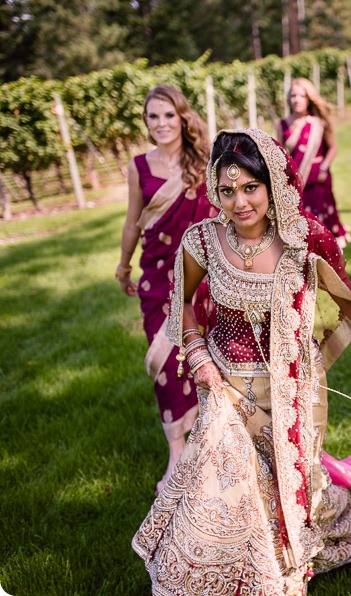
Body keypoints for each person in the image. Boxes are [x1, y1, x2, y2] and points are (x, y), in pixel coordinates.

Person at [133, 128, 351, 591]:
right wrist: (197, 353)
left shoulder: (305, 237)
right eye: (227, 191)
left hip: (295, 387)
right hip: (226, 383)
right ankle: (216, 569)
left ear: (272, 185)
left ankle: (292, 548)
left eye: (251, 188)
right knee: (224, 484)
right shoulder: (202, 242)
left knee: (293, 480)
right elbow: (183, 303)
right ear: (215, 190)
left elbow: (348, 300)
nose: (239, 202)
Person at [116, 84, 216, 493]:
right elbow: (132, 221)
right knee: (165, 361)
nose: (161, 124)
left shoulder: (205, 161)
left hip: (206, 277)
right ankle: (177, 452)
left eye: (168, 115)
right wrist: (124, 265)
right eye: (153, 117)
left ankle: (216, 446)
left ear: (182, 117)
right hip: (158, 279)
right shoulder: (139, 166)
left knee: (208, 358)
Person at [278, 77, 351, 247]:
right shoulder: (283, 125)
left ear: (309, 99)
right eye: (294, 95)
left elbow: (332, 148)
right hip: (295, 181)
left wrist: (324, 168)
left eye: (302, 96)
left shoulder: (319, 124)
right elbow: (280, 154)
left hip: (318, 180)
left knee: (319, 220)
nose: (297, 100)